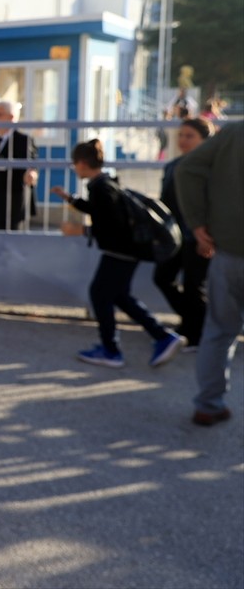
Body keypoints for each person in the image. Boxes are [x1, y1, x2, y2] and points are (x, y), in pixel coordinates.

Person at [51, 139, 185, 369]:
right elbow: (100, 212)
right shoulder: (104, 184)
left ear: (82, 163)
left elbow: (112, 226)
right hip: (126, 251)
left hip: (120, 252)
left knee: (100, 294)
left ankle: (111, 350)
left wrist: (80, 230)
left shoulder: (101, 189)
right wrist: (71, 199)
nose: (74, 168)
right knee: (119, 296)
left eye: (75, 164)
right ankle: (162, 337)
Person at [176, 121, 244, 427]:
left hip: (228, 251)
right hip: (226, 249)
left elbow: (186, 168)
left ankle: (208, 404)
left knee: (218, 330)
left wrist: (198, 223)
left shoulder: (233, 133)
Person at [153, 117, 213, 349]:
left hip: (198, 237)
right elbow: (165, 204)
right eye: (181, 135)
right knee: (162, 278)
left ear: (204, 141)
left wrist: (206, 236)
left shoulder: (209, 169)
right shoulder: (172, 166)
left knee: (193, 286)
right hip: (174, 237)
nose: (183, 140)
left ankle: (196, 333)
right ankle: (194, 322)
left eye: (190, 136)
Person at [0, 99, 38, 231]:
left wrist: (32, 173)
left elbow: (31, 162)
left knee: (12, 243)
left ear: (11, 117)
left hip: (13, 204)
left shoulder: (23, 140)